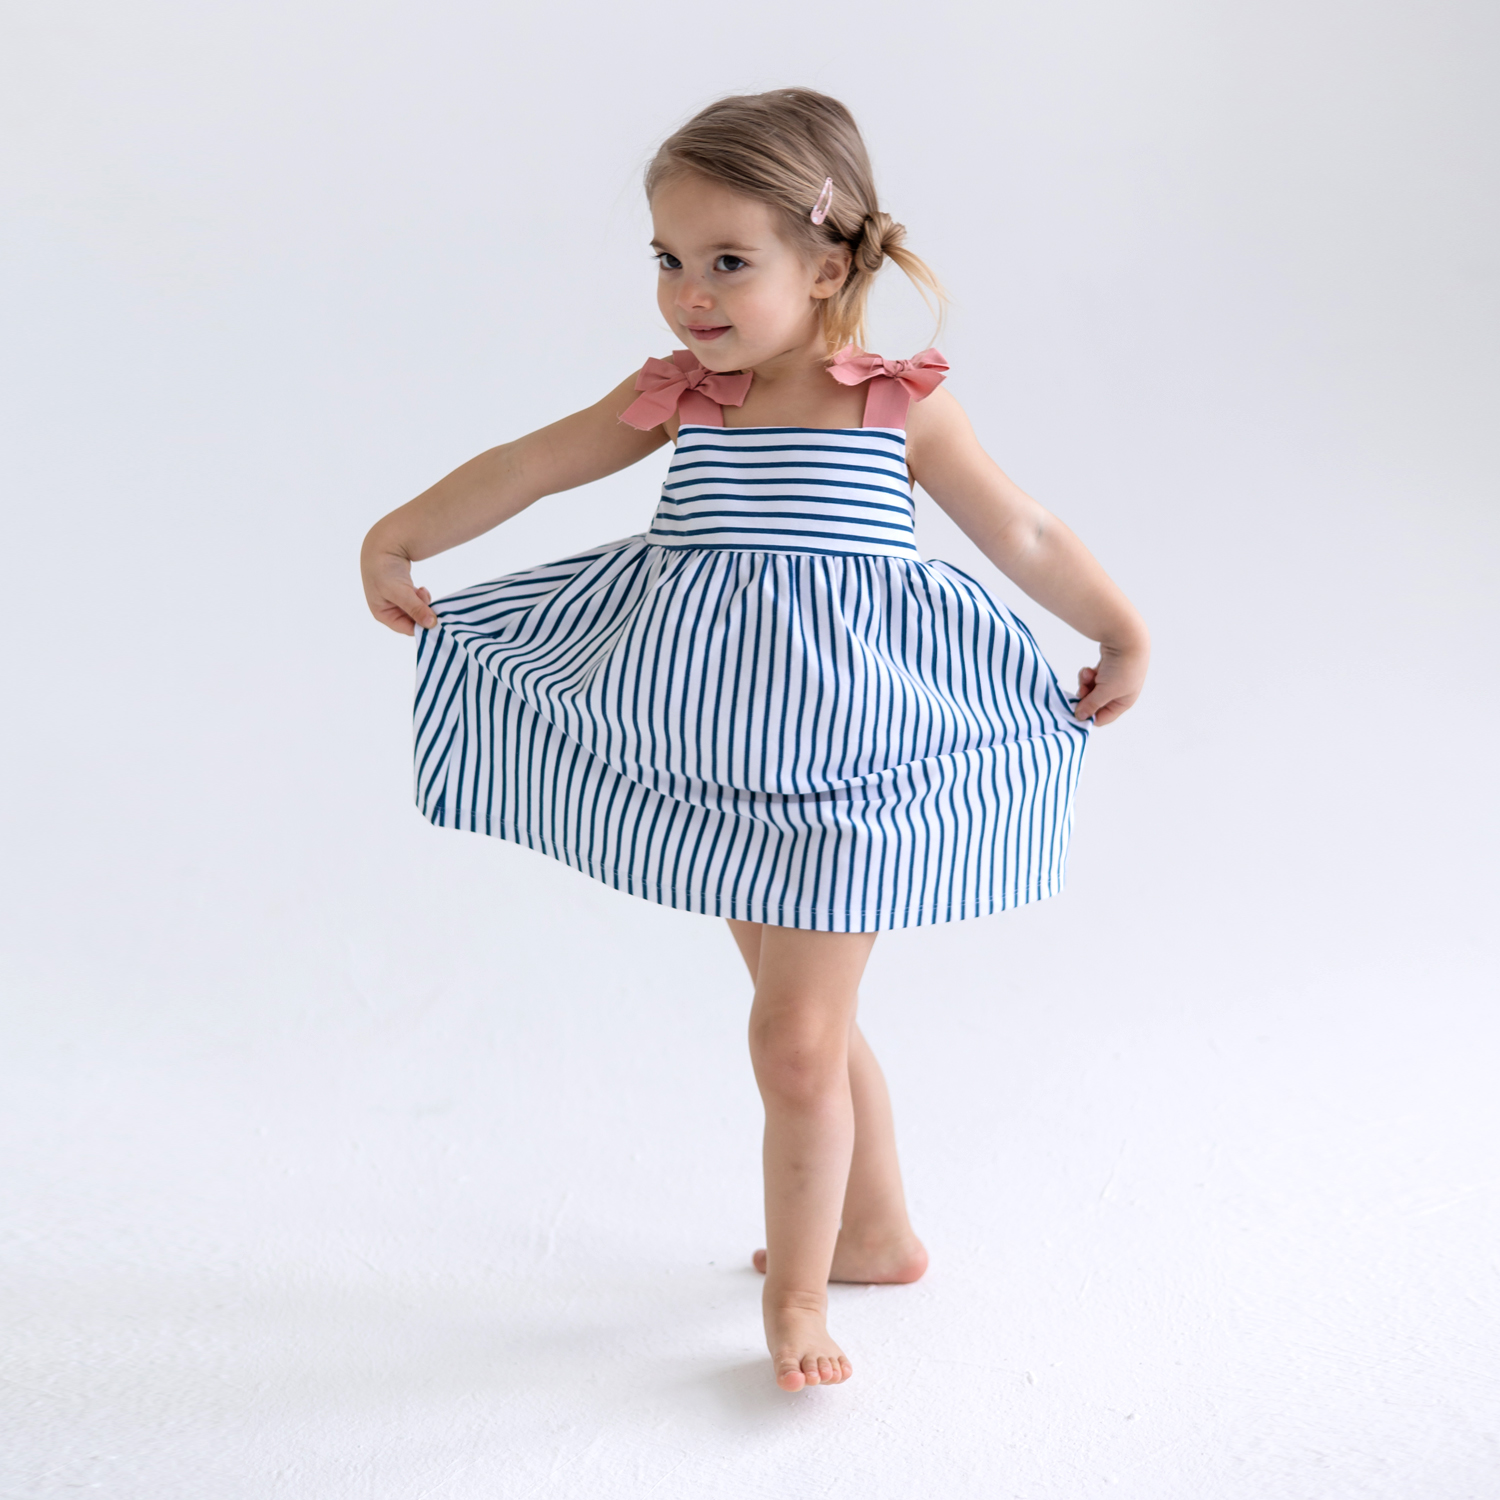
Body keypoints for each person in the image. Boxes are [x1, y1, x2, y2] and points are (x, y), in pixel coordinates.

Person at [360, 87, 1149, 1393]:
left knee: (791, 1041)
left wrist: (1118, 629)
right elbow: (533, 463)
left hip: (858, 766)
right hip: (719, 758)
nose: (690, 293)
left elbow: (1022, 531)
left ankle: (800, 1300)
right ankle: (876, 1234)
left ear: (827, 265)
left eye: (729, 261)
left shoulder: (895, 405)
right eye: (669, 259)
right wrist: (399, 537)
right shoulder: (685, 397)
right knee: (811, 1033)